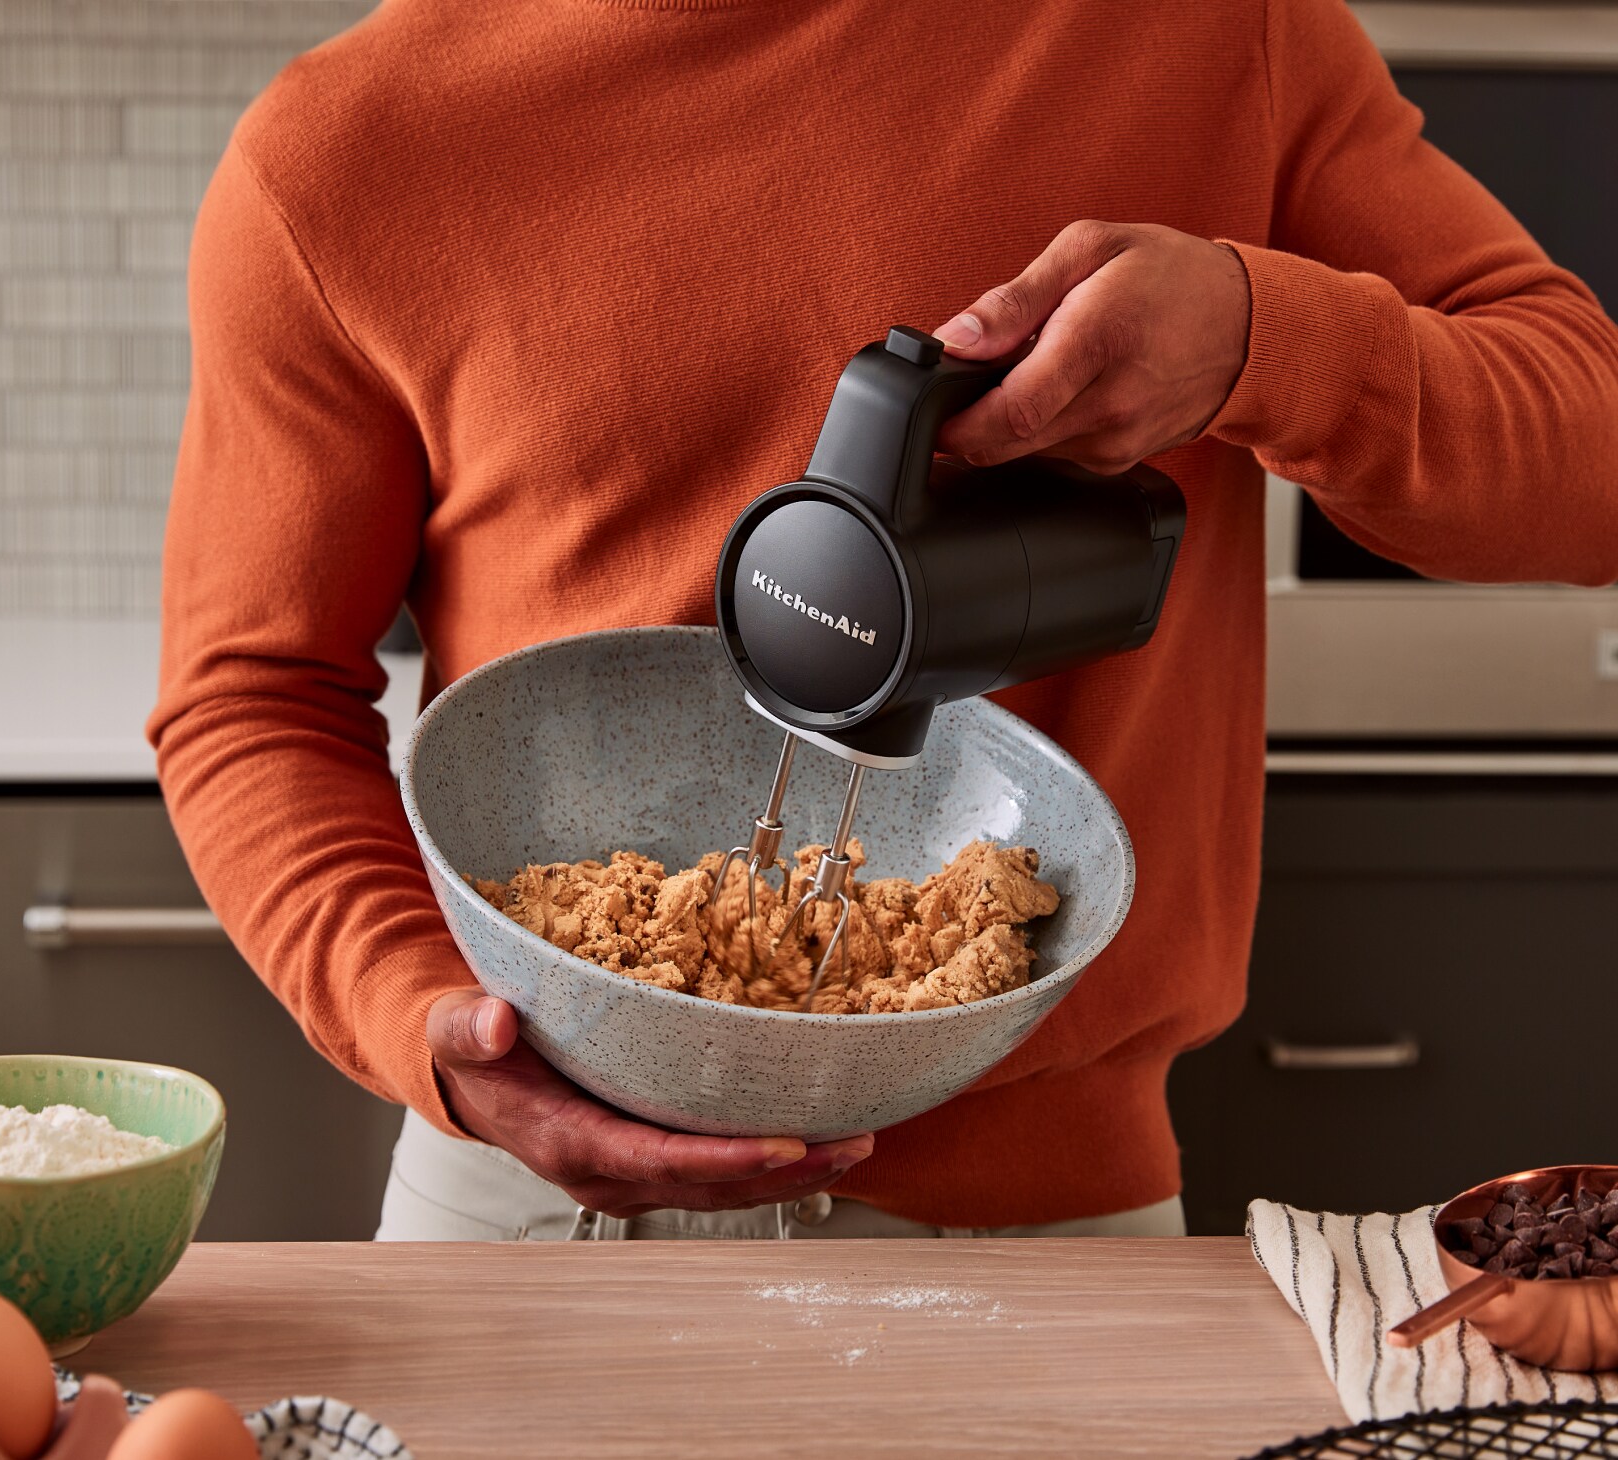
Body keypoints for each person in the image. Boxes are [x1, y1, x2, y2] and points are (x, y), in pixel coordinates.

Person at [148, 0, 1618, 1242]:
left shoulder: (1207, 35)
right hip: (530, 1203)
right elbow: (250, 694)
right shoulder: (346, 152)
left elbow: (1591, 460)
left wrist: (1258, 339)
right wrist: (423, 1018)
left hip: (1050, 1230)